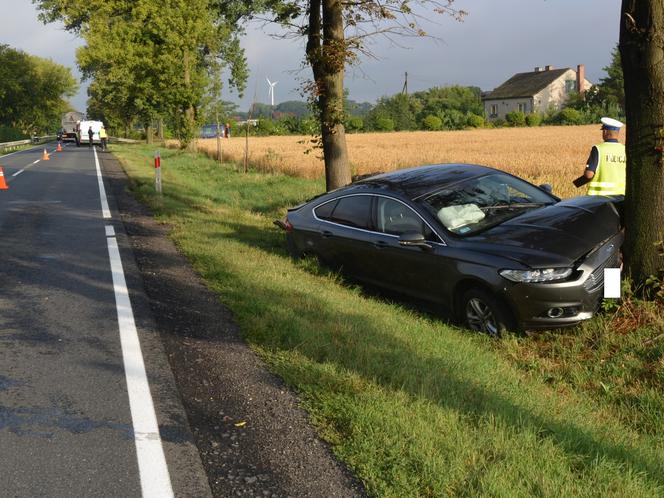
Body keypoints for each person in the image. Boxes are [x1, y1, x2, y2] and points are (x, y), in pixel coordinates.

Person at [574, 117, 626, 195]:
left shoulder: (598, 149)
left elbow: (589, 174)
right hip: (621, 196)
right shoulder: (625, 149)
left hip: (599, 198)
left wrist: (576, 183)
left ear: (605, 132)